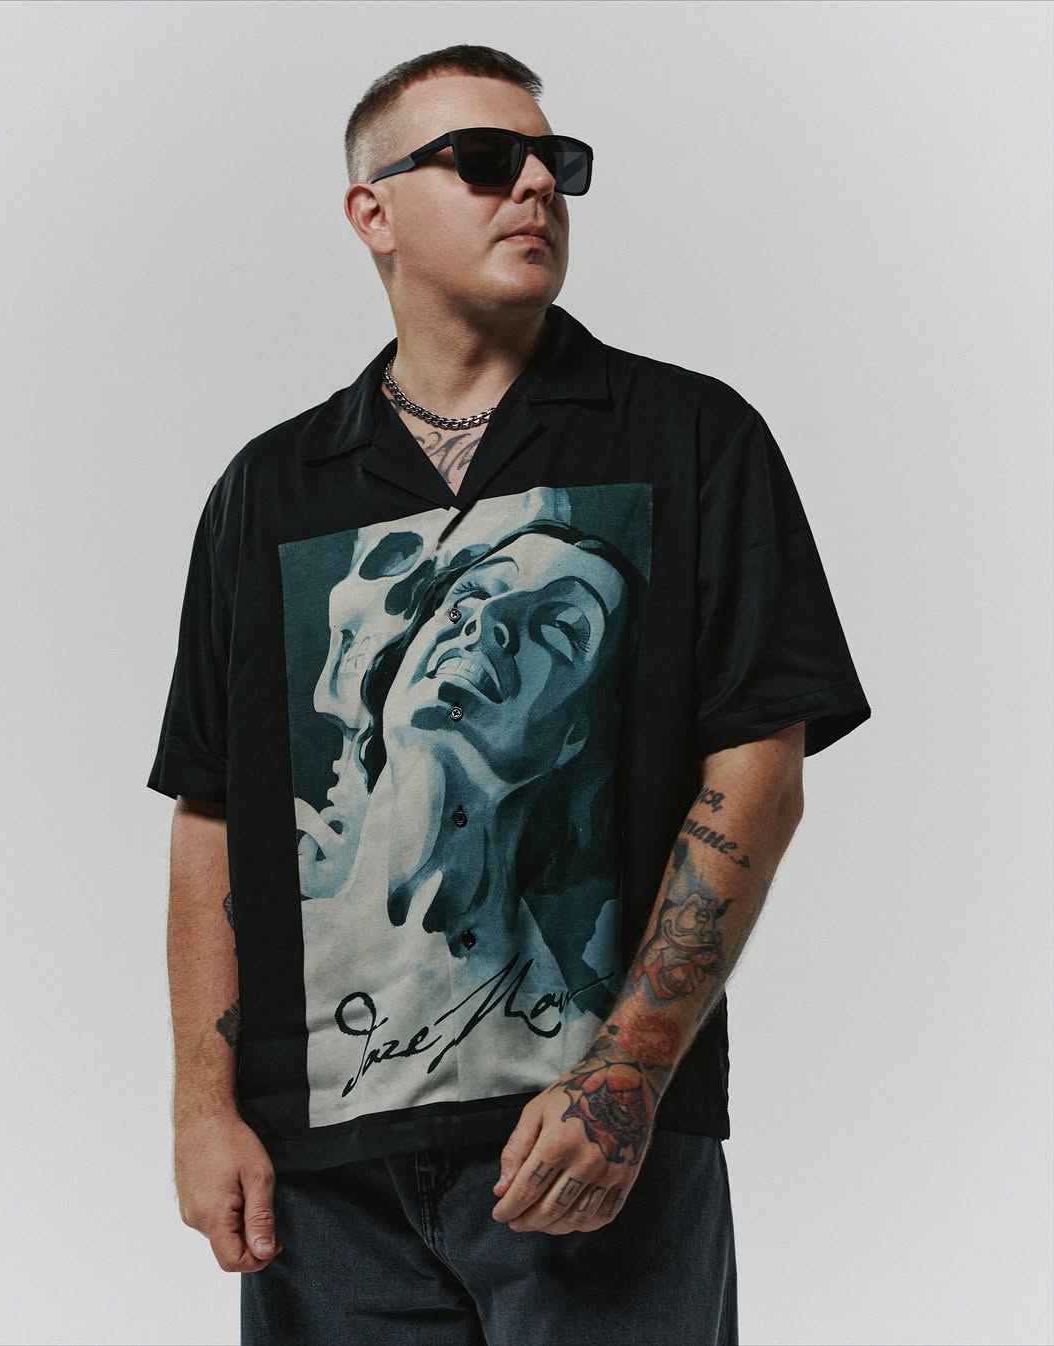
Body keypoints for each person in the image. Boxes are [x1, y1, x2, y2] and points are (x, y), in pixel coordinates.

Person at [148, 43, 872, 1346]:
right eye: (486, 160)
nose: (537, 184)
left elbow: (759, 771)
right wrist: (203, 1104)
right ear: (371, 211)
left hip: (589, 1157)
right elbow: (211, 810)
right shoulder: (269, 488)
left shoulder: (690, 438)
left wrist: (626, 1075)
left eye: (557, 162)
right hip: (322, 1191)